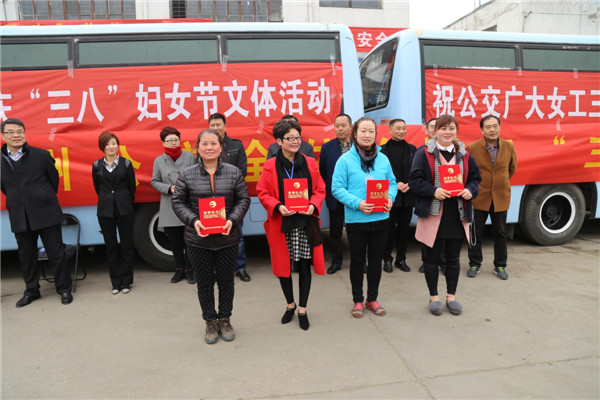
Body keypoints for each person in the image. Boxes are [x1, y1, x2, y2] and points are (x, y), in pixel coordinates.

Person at [172, 129, 250, 344]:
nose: (209, 148)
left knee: (226, 283)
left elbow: (243, 199)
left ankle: (224, 319)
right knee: (204, 284)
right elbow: (178, 202)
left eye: (213, 143)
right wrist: (193, 221)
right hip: (198, 240)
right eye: (204, 143)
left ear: (220, 147)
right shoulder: (186, 174)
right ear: (198, 148)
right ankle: (210, 321)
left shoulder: (234, 172)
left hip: (227, 239)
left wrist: (232, 220)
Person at [408, 114, 481, 316]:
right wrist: (433, 191)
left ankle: (451, 296)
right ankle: (434, 297)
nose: (447, 132)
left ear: (456, 131)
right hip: (433, 215)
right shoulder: (423, 153)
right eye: (443, 128)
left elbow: (475, 179)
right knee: (431, 259)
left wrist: (470, 190)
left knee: (453, 258)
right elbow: (414, 181)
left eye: (451, 128)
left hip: (456, 215)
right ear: (435, 131)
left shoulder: (464, 154)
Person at [257, 119, 326, 331]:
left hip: (305, 222)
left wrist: (313, 205)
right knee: (283, 268)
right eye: (290, 138)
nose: (296, 141)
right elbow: (263, 192)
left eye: (298, 137)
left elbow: (320, 189)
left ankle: (303, 309)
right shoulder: (270, 166)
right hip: (282, 223)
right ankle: (290, 305)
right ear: (279, 141)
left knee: (304, 266)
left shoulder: (310, 162)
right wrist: (277, 206)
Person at [1, 118, 73, 307]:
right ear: (3, 136)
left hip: (46, 212)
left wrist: (41, 196)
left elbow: (53, 180)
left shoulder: (41, 155)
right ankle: (32, 291)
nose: (16, 135)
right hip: (19, 215)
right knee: (26, 257)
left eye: (20, 131)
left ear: (25, 134)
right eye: (10, 132)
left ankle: (64, 288)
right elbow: (4, 187)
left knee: (56, 253)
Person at [332, 117, 397, 318]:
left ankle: (372, 299)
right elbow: (337, 188)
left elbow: (392, 183)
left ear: (376, 134)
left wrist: (390, 198)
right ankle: (358, 300)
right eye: (363, 131)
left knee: (376, 262)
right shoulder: (345, 160)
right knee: (358, 262)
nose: (367, 135)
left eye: (371, 131)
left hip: (381, 219)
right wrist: (357, 203)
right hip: (357, 221)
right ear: (355, 133)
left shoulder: (383, 159)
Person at [466, 115, 517, 280]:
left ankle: (500, 265)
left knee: (500, 233)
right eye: (488, 127)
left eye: (495, 126)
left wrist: (500, 182)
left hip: (501, 196)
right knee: (476, 233)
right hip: (479, 196)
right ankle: (475, 263)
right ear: (482, 130)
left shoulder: (509, 146)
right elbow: (469, 172)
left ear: (500, 127)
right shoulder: (472, 148)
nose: (492, 130)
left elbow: (512, 168)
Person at [208, 113, 251, 282]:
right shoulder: (206, 146)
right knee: (213, 236)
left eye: (218, 124)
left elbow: (243, 170)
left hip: (233, 197)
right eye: (212, 125)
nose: (215, 128)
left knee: (237, 235)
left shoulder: (236, 145)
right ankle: (216, 270)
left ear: (225, 126)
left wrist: (225, 185)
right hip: (212, 199)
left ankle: (240, 268)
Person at [92, 131, 136, 295]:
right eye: (107, 144)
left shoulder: (126, 164)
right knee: (110, 247)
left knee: (126, 246)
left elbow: (132, 188)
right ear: (102, 147)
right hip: (105, 211)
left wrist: (123, 200)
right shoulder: (97, 165)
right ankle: (115, 283)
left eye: (114, 143)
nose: (111, 147)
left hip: (124, 209)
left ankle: (126, 281)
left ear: (118, 145)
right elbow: (98, 188)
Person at [151, 126, 196, 284]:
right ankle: (179, 269)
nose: (173, 143)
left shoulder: (189, 157)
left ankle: (190, 270)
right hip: (170, 204)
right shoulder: (159, 161)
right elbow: (154, 181)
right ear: (163, 142)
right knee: (175, 241)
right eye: (169, 140)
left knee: (189, 240)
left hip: (188, 203)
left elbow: (197, 175)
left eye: (175, 139)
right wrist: (169, 188)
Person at [381, 118, 417, 273]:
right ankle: (387, 259)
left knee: (403, 231)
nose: (402, 131)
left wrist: (410, 183)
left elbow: (417, 170)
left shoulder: (412, 149)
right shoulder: (382, 151)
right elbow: (380, 174)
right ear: (389, 130)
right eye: (398, 128)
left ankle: (401, 259)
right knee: (388, 230)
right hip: (390, 197)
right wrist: (395, 184)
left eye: (404, 128)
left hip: (407, 196)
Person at [319, 113, 353, 275]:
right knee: (335, 231)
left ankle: (360, 262)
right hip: (336, 196)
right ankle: (336, 261)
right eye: (337, 126)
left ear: (351, 127)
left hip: (356, 197)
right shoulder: (327, 148)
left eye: (343, 125)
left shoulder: (359, 146)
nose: (340, 129)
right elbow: (324, 172)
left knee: (356, 231)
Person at [417, 117, 438, 273]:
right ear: (426, 130)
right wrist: (432, 190)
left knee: (443, 234)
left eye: (439, 126)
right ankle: (427, 262)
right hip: (426, 199)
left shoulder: (455, 152)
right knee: (427, 234)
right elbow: (415, 179)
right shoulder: (420, 152)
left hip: (447, 201)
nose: (435, 129)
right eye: (432, 126)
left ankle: (443, 262)